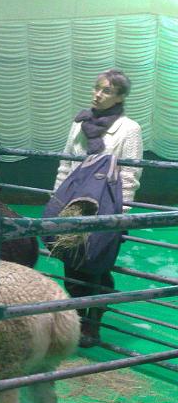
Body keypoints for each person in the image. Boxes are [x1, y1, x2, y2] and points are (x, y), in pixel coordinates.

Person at [53, 68, 143, 346]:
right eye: (96, 88)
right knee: (71, 264)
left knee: (97, 265)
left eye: (106, 90)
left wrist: (119, 217)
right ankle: (78, 319)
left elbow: (129, 177)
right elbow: (66, 164)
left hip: (106, 207)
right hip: (73, 206)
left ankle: (94, 321)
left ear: (120, 97)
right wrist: (57, 202)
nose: (97, 94)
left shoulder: (129, 130)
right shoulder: (79, 123)